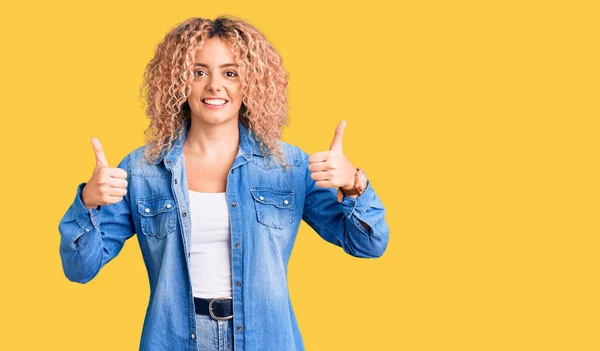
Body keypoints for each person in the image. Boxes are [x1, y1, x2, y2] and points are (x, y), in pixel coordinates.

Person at [58, 16, 389, 351]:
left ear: (252, 83)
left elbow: (368, 244)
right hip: (173, 339)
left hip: (265, 339)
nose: (214, 85)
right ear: (177, 81)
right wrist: (88, 202)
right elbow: (79, 268)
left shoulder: (288, 166)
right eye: (199, 72)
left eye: (230, 73)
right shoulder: (143, 170)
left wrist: (353, 184)